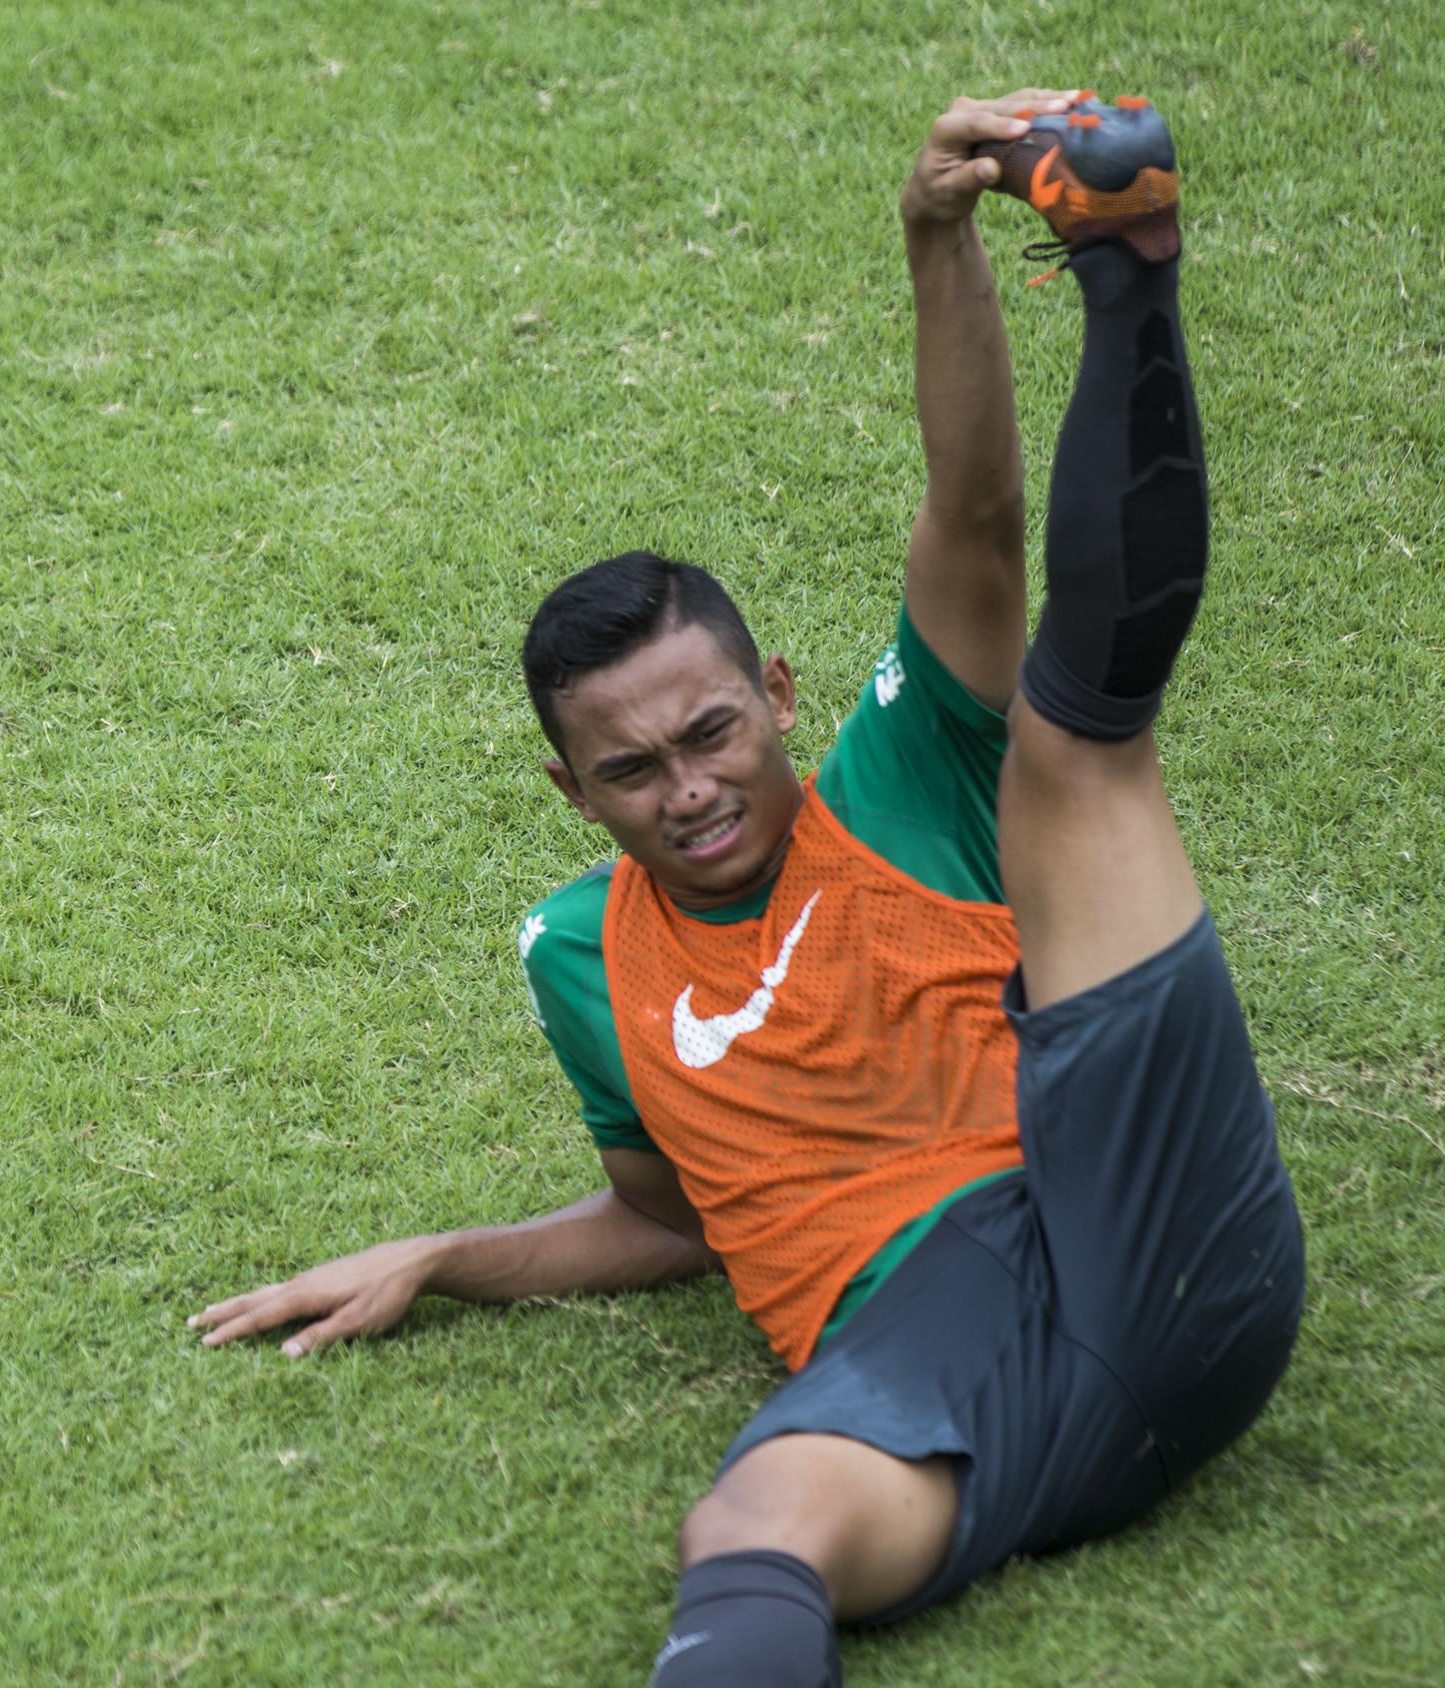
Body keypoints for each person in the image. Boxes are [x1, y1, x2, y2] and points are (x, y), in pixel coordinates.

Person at [189, 91, 1301, 1682]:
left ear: (776, 695)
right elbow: (675, 1220)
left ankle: (1130, 274)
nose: (689, 787)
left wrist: (936, 238)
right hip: (980, 1372)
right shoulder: (583, 959)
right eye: (632, 772)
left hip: (1143, 1211)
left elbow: (977, 520)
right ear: (570, 792)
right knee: (750, 1533)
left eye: (712, 732)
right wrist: (446, 1258)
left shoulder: (907, 778)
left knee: (1075, 749)